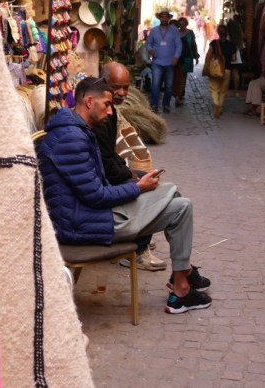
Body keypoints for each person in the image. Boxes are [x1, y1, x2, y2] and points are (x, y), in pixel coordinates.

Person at [39, 76, 213, 314]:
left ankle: (181, 281)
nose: (111, 111)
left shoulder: (78, 130)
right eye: (106, 104)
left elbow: (98, 181)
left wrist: (136, 183)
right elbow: (96, 195)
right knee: (178, 202)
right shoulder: (72, 138)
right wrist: (137, 188)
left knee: (177, 200)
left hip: (91, 215)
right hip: (83, 224)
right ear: (89, 101)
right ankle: (181, 285)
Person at [91, 62, 166, 271]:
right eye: (116, 87)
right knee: (149, 189)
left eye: (126, 87)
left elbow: (110, 154)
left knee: (152, 180)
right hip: (100, 179)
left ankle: (140, 240)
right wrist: (132, 177)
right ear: (102, 82)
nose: (122, 93)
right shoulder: (99, 112)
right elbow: (104, 162)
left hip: (107, 171)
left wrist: (130, 172)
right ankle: (137, 250)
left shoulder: (111, 110)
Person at [147, 9, 181, 113]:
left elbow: (179, 45)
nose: (164, 18)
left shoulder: (174, 31)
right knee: (155, 84)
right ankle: (154, 105)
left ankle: (166, 105)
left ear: (169, 18)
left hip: (170, 62)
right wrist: (150, 49)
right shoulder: (154, 30)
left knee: (169, 85)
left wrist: (176, 57)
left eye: (166, 17)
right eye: (162, 17)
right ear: (160, 18)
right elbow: (148, 44)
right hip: (157, 62)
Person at [206, 24, 237, 118]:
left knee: (214, 88)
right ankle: (220, 106)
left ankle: (216, 103)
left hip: (215, 70)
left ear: (218, 33)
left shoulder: (213, 43)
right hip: (226, 70)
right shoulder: (232, 45)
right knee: (223, 91)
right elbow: (234, 58)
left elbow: (209, 55)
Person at [172, 17, 199, 107]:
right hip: (178, 57)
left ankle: (180, 92)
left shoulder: (190, 33)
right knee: (178, 76)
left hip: (188, 57)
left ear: (186, 24)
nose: (182, 25)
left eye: (183, 24)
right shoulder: (176, 33)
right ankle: (178, 93)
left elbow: (194, 44)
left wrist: (196, 55)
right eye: (180, 24)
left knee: (184, 75)